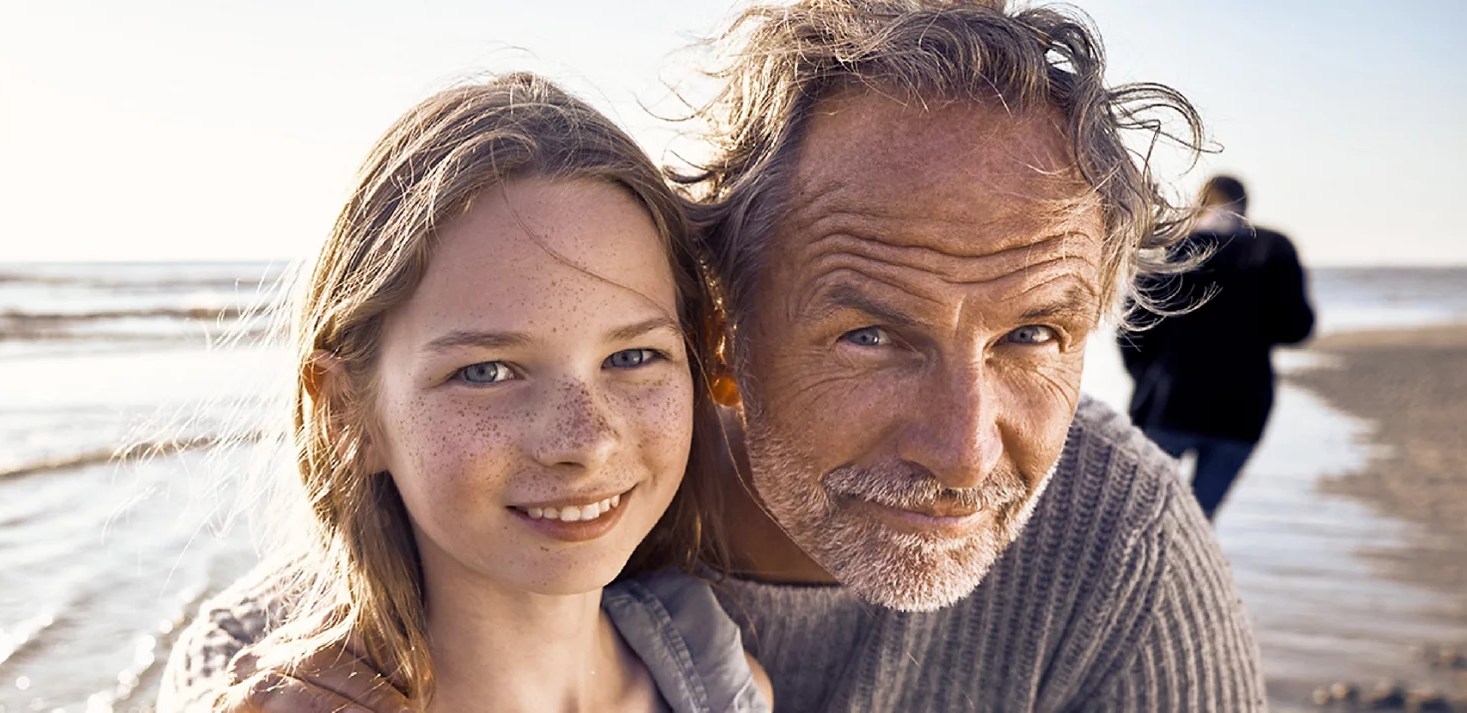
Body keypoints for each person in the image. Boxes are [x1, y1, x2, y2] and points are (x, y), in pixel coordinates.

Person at [170, 1, 1266, 710]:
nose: (964, 450)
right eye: (872, 334)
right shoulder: (290, 673)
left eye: (1031, 335)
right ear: (720, 334)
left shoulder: (1117, 553)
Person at [157, 73, 773, 712]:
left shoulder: (728, 690)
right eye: (488, 371)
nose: (586, 441)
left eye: (632, 357)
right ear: (345, 413)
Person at [1120, 176, 1315, 521]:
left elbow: (1131, 328)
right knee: (1197, 525)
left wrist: (1146, 375)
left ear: (1200, 204)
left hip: (1168, 401)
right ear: (1245, 206)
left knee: (1136, 517)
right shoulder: (1274, 248)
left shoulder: (1170, 246)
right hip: (1243, 407)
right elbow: (1296, 329)